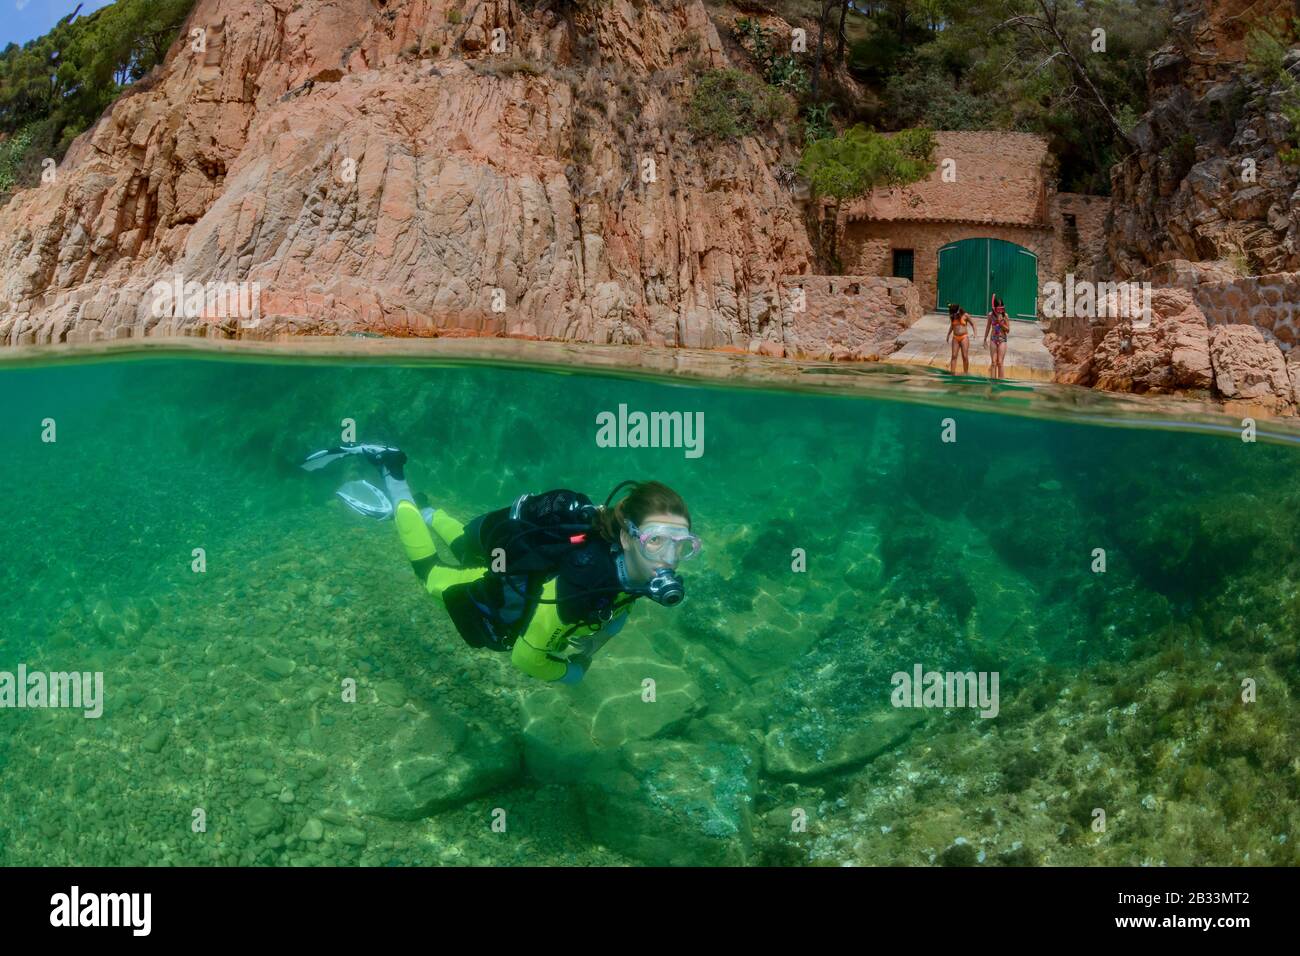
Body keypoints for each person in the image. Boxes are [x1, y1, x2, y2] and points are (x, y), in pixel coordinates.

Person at [301, 444, 700, 685]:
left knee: (462, 545)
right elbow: (525, 658)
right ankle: (394, 485)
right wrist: (572, 673)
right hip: (492, 582)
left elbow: (624, 603)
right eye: (656, 541)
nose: (668, 559)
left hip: (513, 565)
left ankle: (425, 512)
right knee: (431, 575)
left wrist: (601, 639)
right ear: (628, 537)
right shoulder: (579, 590)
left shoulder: (631, 561)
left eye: (682, 545)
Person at [983, 294, 1011, 380]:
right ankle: (993, 381)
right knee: (993, 362)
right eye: (998, 308)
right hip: (993, 339)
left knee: (1000, 362)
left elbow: (1008, 330)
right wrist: (984, 339)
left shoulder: (1005, 316)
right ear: (994, 307)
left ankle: (1001, 381)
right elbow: (988, 327)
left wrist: (1001, 323)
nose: (999, 311)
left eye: (1001, 308)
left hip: (1002, 340)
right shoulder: (991, 315)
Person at [946, 302, 975, 375]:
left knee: (964, 356)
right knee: (954, 355)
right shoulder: (953, 316)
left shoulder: (965, 315)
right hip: (955, 337)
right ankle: (952, 373)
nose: (954, 315)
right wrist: (948, 334)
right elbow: (952, 326)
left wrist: (975, 333)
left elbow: (973, 324)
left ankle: (965, 373)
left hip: (964, 337)